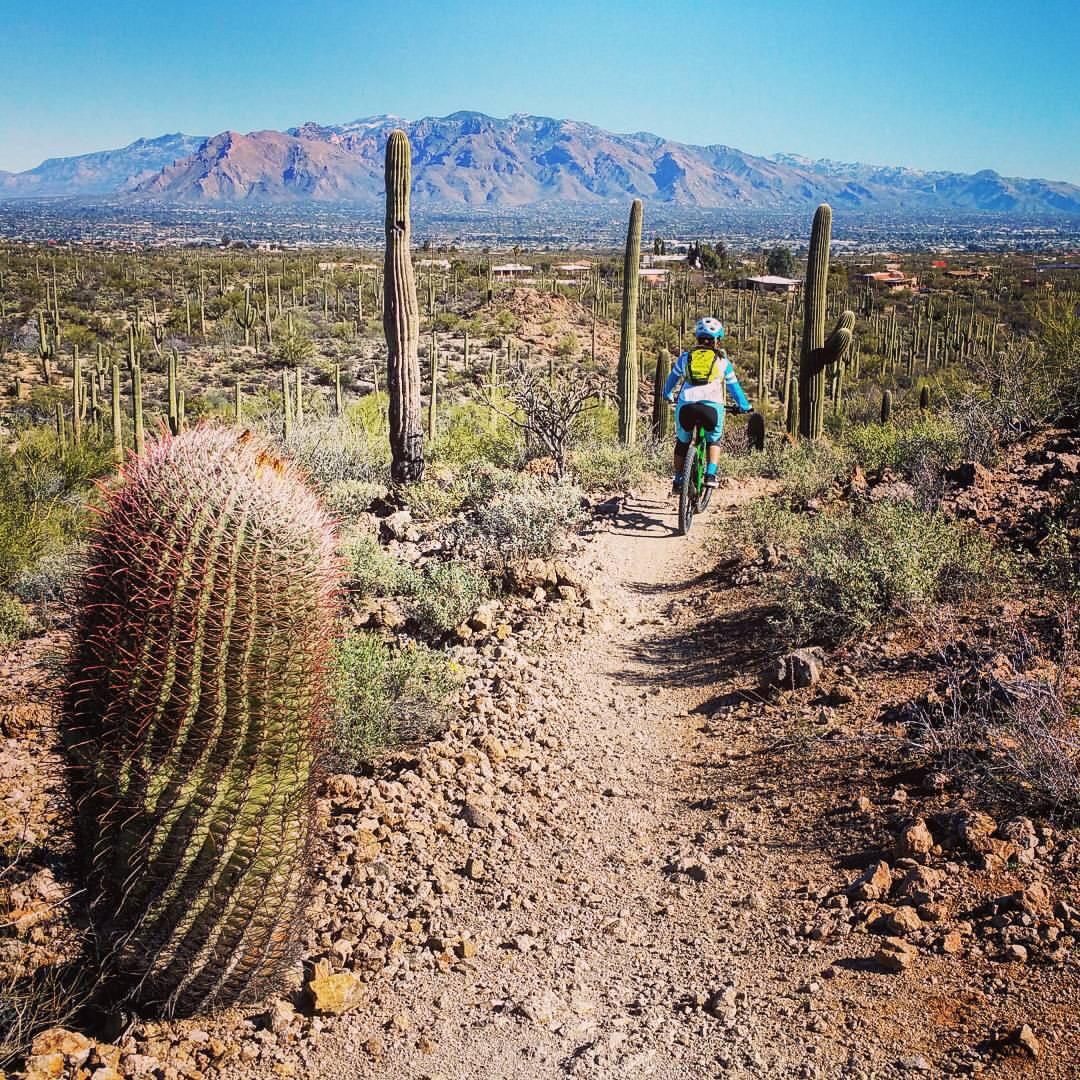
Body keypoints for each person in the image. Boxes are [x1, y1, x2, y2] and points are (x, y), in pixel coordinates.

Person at [663, 317, 752, 493]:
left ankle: (678, 479)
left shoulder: (685, 358)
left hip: (686, 406)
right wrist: (744, 406)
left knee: (682, 441)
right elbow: (735, 388)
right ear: (717, 340)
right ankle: (711, 475)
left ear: (697, 337)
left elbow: (671, 381)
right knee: (714, 439)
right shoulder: (723, 362)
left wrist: (667, 394)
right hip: (712, 408)